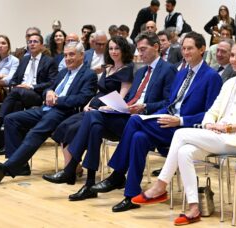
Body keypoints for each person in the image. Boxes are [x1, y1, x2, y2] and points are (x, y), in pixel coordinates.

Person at [132, 39, 236, 226]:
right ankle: (194, 207)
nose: (234, 59)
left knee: (180, 134)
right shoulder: (228, 83)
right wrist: (209, 123)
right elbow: (212, 111)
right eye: (233, 55)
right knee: (184, 151)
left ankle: (160, 186)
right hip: (218, 136)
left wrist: (228, 127)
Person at [90, 31, 222, 212]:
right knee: (138, 138)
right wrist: (153, 116)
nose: (185, 52)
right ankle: (131, 196)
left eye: (190, 48)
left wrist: (180, 120)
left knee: (135, 121)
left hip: (185, 129)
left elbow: (210, 114)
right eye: (183, 48)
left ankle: (118, 174)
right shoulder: (182, 73)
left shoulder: (212, 76)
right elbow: (169, 104)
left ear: (202, 49)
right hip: (167, 122)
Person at [42, 31, 177, 202]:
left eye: (143, 49)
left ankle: (72, 170)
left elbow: (168, 103)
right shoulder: (142, 71)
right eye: (139, 50)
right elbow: (128, 98)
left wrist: (144, 107)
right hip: (126, 116)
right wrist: (116, 106)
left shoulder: (168, 69)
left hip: (143, 120)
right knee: (94, 120)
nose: (140, 53)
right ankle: (89, 183)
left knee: (93, 119)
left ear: (156, 47)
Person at [0, 42, 98, 184]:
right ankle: (21, 166)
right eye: (66, 55)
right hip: (46, 109)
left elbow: (83, 98)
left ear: (82, 55)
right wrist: (49, 92)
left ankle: (7, 169)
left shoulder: (89, 74)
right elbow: (47, 89)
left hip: (64, 112)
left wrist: (57, 101)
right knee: (11, 119)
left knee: (35, 132)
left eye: (72, 54)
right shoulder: (63, 72)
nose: (68, 58)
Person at [43, 36, 134, 182]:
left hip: (109, 113)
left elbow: (122, 98)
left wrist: (106, 107)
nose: (113, 51)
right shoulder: (108, 68)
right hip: (93, 107)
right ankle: (72, 169)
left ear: (124, 50)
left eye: (117, 48)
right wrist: (88, 103)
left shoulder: (127, 69)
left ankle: (70, 171)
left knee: (75, 128)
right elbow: (100, 91)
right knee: (66, 125)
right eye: (110, 48)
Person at [0, 34, 58, 145]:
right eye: (30, 42)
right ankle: (11, 144)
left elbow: (52, 82)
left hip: (36, 94)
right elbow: (14, 79)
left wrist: (31, 86)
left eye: (35, 41)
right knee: (16, 102)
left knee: (15, 92)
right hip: (19, 94)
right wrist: (13, 85)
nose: (32, 44)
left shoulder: (49, 61)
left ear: (41, 45)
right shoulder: (24, 60)